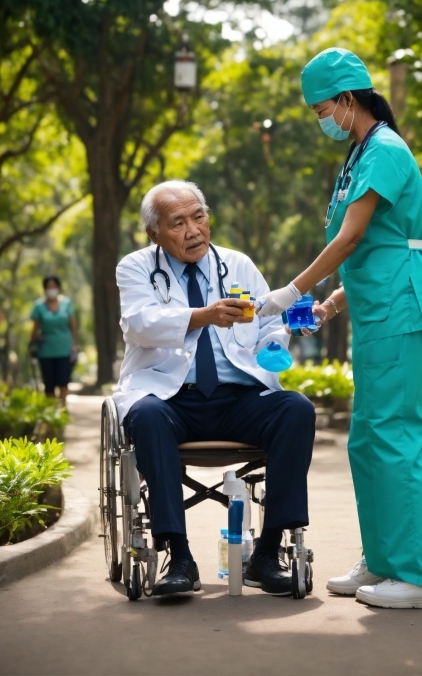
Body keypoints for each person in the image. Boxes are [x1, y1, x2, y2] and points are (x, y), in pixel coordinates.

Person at [256, 48, 422, 609]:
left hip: (401, 306)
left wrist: (292, 291)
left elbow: (351, 239)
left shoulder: (385, 148)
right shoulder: (360, 154)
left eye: (322, 109)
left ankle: (416, 578)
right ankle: (383, 560)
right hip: (375, 307)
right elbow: (375, 248)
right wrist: (331, 305)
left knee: (393, 436)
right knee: (367, 440)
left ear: (347, 100)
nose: (322, 119)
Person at [114, 180, 315, 599]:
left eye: (199, 217)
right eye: (178, 222)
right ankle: (178, 555)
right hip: (170, 399)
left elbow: (269, 322)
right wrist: (203, 316)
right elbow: (138, 323)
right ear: (155, 234)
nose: (193, 230)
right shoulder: (135, 267)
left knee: (296, 409)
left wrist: (277, 342)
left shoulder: (238, 265)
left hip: (237, 399)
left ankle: (268, 551)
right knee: (146, 416)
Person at [30, 276, 78, 406]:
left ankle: (62, 409)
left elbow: (73, 326)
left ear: (59, 287)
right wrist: (32, 345)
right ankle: (51, 413)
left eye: (54, 286)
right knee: (49, 383)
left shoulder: (67, 303)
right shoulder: (38, 306)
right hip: (45, 350)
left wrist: (75, 344)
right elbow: (35, 328)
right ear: (45, 289)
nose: (52, 289)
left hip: (65, 349)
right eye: (49, 287)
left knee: (63, 381)